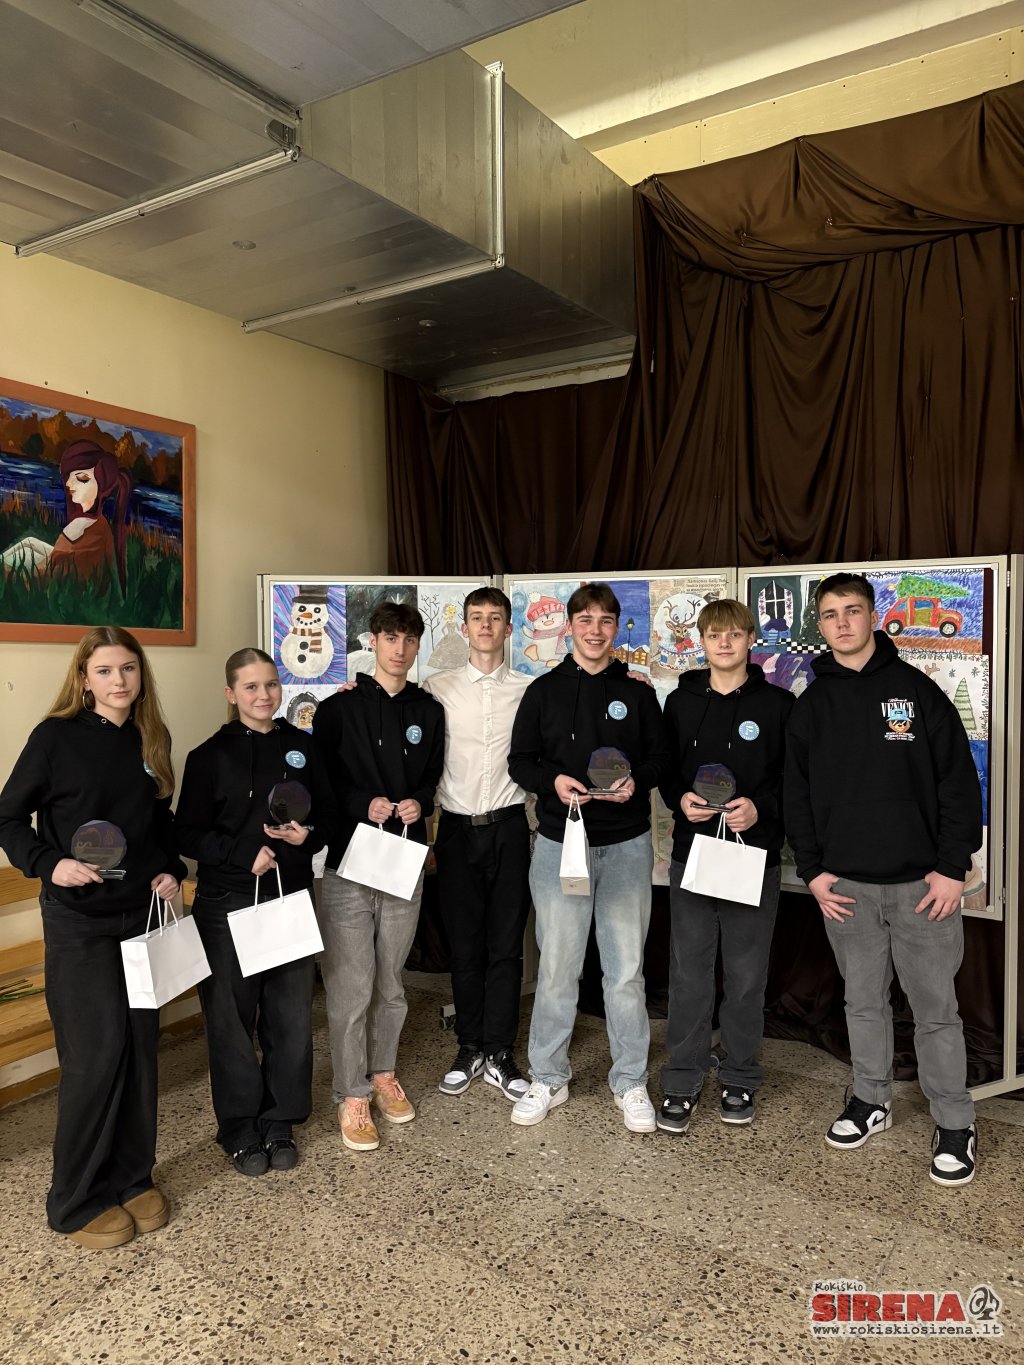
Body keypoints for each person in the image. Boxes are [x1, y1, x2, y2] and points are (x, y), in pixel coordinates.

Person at [785, 573, 983, 1186]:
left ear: (874, 616)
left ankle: (955, 1121)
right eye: (830, 614)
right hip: (846, 890)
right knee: (862, 1003)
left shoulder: (917, 691)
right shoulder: (810, 706)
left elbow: (958, 783)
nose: (842, 623)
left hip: (924, 889)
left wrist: (952, 869)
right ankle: (871, 1100)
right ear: (820, 626)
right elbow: (797, 796)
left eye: (853, 610)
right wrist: (814, 871)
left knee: (936, 1011)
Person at [0, 626, 185, 1248]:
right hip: (79, 923)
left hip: (140, 919)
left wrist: (170, 867)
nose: (118, 681)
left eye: (128, 668)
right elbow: (7, 817)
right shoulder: (54, 738)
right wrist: (48, 863)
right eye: (104, 670)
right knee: (95, 1056)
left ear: (141, 675)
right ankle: (75, 1200)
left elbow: (158, 822)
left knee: (139, 1050)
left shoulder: (152, 737)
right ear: (83, 678)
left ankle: (132, 1178)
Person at [507, 582, 671, 1132]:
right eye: (585, 620)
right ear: (570, 627)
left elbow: (661, 758)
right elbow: (521, 761)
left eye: (605, 621)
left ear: (616, 627)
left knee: (625, 973)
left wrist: (637, 782)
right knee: (557, 968)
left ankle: (630, 1081)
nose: (595, 630)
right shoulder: (543, 692)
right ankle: (548, 1076)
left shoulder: (638, 693)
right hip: (561, 846)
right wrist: (552, 781)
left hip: (625, 846)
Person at [175, 648, 336, 1177]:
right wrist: (241, 854)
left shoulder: (303, 748)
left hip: (290, 898)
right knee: (230, 1021)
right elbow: (186, 833)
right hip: (227, 904)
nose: (263, 695)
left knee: (290, 1017)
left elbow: (331, 818)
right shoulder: (208, 757)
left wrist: (308, 836)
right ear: (231, 694)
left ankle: (280, 1118)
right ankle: (239, 1126)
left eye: (270, 684)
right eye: (250, 687)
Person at [657, 599, 794, 1134]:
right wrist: (680, 799)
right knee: (689, 973)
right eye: (715, 635)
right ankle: (683, 1076)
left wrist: (761, 807)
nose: (725, 643)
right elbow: (667, 770)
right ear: (702, 641)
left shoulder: (779, 705)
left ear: (750, 639)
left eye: (735, 634)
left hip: (751, 856)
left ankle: (739, 1075)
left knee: (745, 976)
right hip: (693, 854)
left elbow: (794, 780)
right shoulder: (680, 702)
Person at [312, 602, 444, 1152]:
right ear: (373, 641)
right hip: (348, 864)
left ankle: (383, 1072)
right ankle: (352, 1092)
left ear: (417, 646)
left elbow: (433, 775)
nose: (400, 649)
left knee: (391, 980)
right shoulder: (337, 709)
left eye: (409, 640)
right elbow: (321, 782)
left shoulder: (428, 711)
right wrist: (361, 804)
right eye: (391, 638)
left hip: (403, 863)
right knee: (351, 984)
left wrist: (420, 802)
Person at [423, 588, 533, 1102]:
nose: (485, 626)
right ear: (464, 628)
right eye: (476, 618)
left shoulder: (529, 691)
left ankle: (501, 1051)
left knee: (506, 946)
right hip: (456, 830)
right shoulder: (435, 689)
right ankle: (469, 1047)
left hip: (510, 827)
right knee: (465, 945)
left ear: (509, 629)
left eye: (495, 618)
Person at [1, 439, 132, 589]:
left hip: (58, 582)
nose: (69, 483)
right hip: (68, 570)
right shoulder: (99, 522)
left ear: (102, 484)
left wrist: (6, 570)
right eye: (68, 476)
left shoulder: (80, 525)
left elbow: (49, 575)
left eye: (82, 478)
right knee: (29, 543)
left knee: (14, 560)